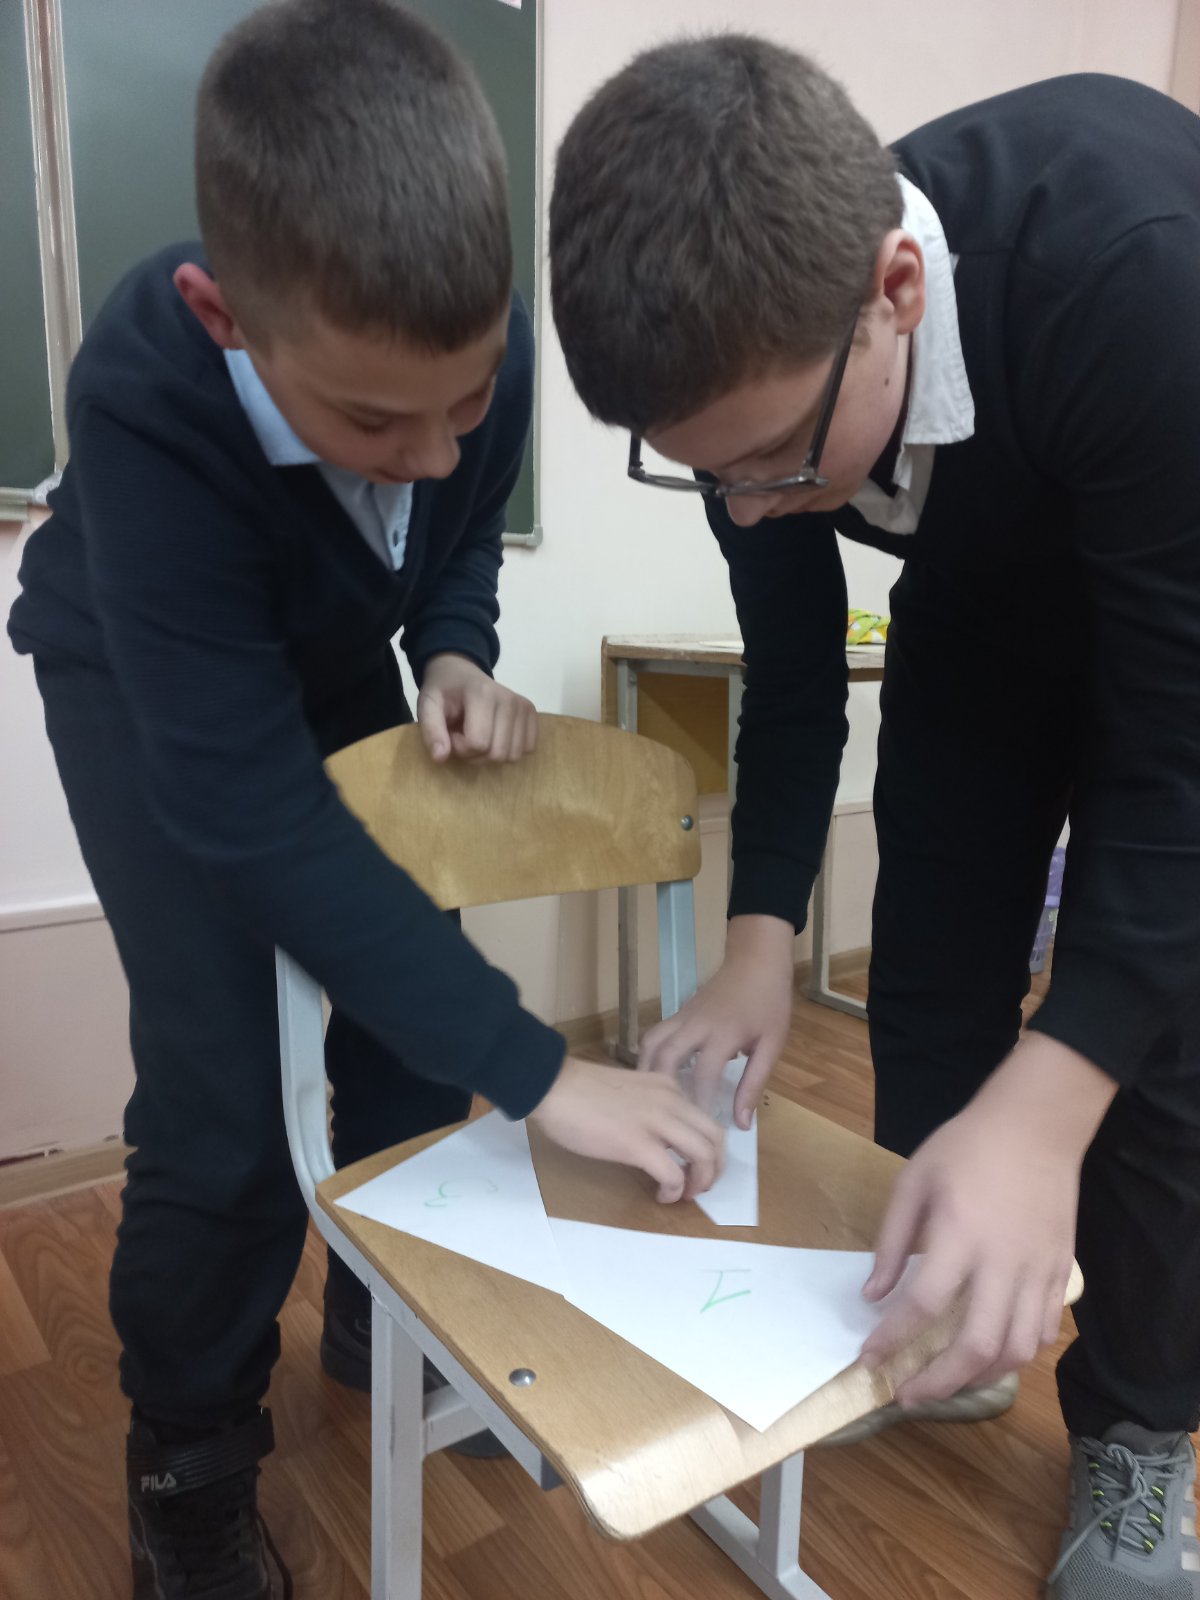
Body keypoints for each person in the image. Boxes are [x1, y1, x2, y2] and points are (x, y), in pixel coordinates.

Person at [7, 5, 723, 1596]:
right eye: (369, 421)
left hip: (327, 656)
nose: (429, 454)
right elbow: (249, 809)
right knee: (221, 1087)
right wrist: (544, 1072)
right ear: (225, 320)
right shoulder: (145, 389)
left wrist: (456, 646)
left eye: (459, 404)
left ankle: (380, 1323)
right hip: (143, 673)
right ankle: (190, 1455)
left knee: (409, 1014)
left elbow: (456, 528)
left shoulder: (482, 347)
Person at [549, 37, 1200, 1598]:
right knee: (927, 959)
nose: (748, 507)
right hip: (982, 609)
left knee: (1153, 1053)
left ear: (896, 291)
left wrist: (1049, 1110)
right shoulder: (755, 359)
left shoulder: (1132, 271)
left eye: (770, 463)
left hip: (1175, 597)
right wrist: (755, 942)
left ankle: (1138, 1433)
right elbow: (791, 673)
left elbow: (1180, 761)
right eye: (703, 476)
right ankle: (951, 1308)